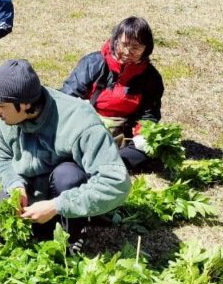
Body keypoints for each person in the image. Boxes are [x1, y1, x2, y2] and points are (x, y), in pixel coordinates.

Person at [0, 60, 131, 245]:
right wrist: (15, 186)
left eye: (1, 105)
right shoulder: (1, 115)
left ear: (23, 104)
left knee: (67, 175)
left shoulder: (79, 121)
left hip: (67, 189)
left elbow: (117, 182)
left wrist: (57, 206)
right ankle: (46, 223)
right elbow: (1, 157)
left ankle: (74, 227)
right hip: (31, 187)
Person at [61, 17, 164, 171]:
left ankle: (104, 162)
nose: (128, 52)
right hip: (88, 126)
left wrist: (142, 135)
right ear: (115, 40)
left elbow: (148, 115)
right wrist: (80, 108)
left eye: (136, 48)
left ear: (146, 48)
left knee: (147, 151)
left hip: (123, 134)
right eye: (124, 44)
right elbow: (67, 96)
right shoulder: (94, 62)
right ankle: (106, 163)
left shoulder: (151, 78)